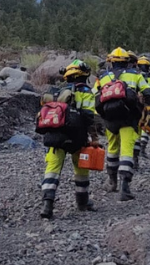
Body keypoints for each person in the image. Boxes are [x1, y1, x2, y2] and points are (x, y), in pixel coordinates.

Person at [39, 60, 99, 219]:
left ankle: (47, 204)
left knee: (52, 169)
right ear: (84, 75)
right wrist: (93, 137)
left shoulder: (57, 92)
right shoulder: (86, 91)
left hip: (55, 136)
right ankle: (82, 202)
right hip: (77, 137)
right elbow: (89, 117)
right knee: (81, 168)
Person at [93, 47, 150, 201]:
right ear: (127, 62)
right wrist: (148, 109)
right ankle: (125, 188)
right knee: (127, 151)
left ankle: (112, 181)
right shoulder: (135, 75)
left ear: (111, 62)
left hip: (109, 119)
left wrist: (97, 121)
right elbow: (148, 93)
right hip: (129, 119)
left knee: (112, 149)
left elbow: (94, 96)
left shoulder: (103, 77)